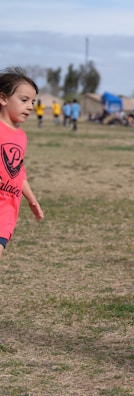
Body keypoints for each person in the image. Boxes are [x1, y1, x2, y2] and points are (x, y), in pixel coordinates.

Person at [0, 67, 44, 259]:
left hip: (7, 210)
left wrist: (32, 199)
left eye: (33, 102)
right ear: (3, 99)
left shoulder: (21, 137)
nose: (30, 107)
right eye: (24, 100)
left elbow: (19, 172)